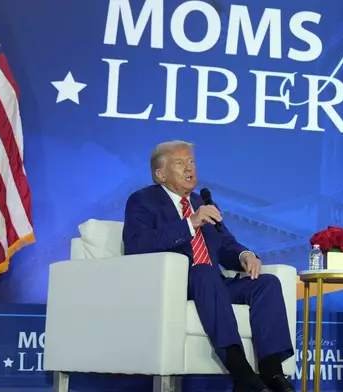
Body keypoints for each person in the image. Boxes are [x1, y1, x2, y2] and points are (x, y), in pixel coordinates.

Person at [122, 141, 295, 392]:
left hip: (212, 283)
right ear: (160, 174)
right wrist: (190, 223)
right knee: (203, 272)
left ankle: (272, 372)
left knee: (266, 283)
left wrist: (244, 255)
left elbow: (225, 245)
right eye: (180, 163)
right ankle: (241, 372)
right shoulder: (143, 200)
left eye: (191, 161)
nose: (189, 168)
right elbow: (137, 245)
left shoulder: (199, 201)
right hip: (175, 285)